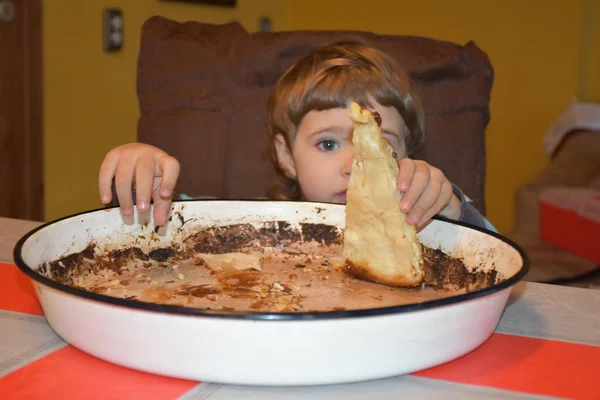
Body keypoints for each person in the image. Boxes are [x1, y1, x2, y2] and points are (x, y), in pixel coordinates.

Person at [98, 40, 493, 231]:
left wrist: (447, 207)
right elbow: (173, 221)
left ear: (408, 156)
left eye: (380, 146)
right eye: (328, 144)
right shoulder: (257, 224)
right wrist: (143, 182)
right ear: (286, 156)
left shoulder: (421, 227)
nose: (355, 163)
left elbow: (493, 254)